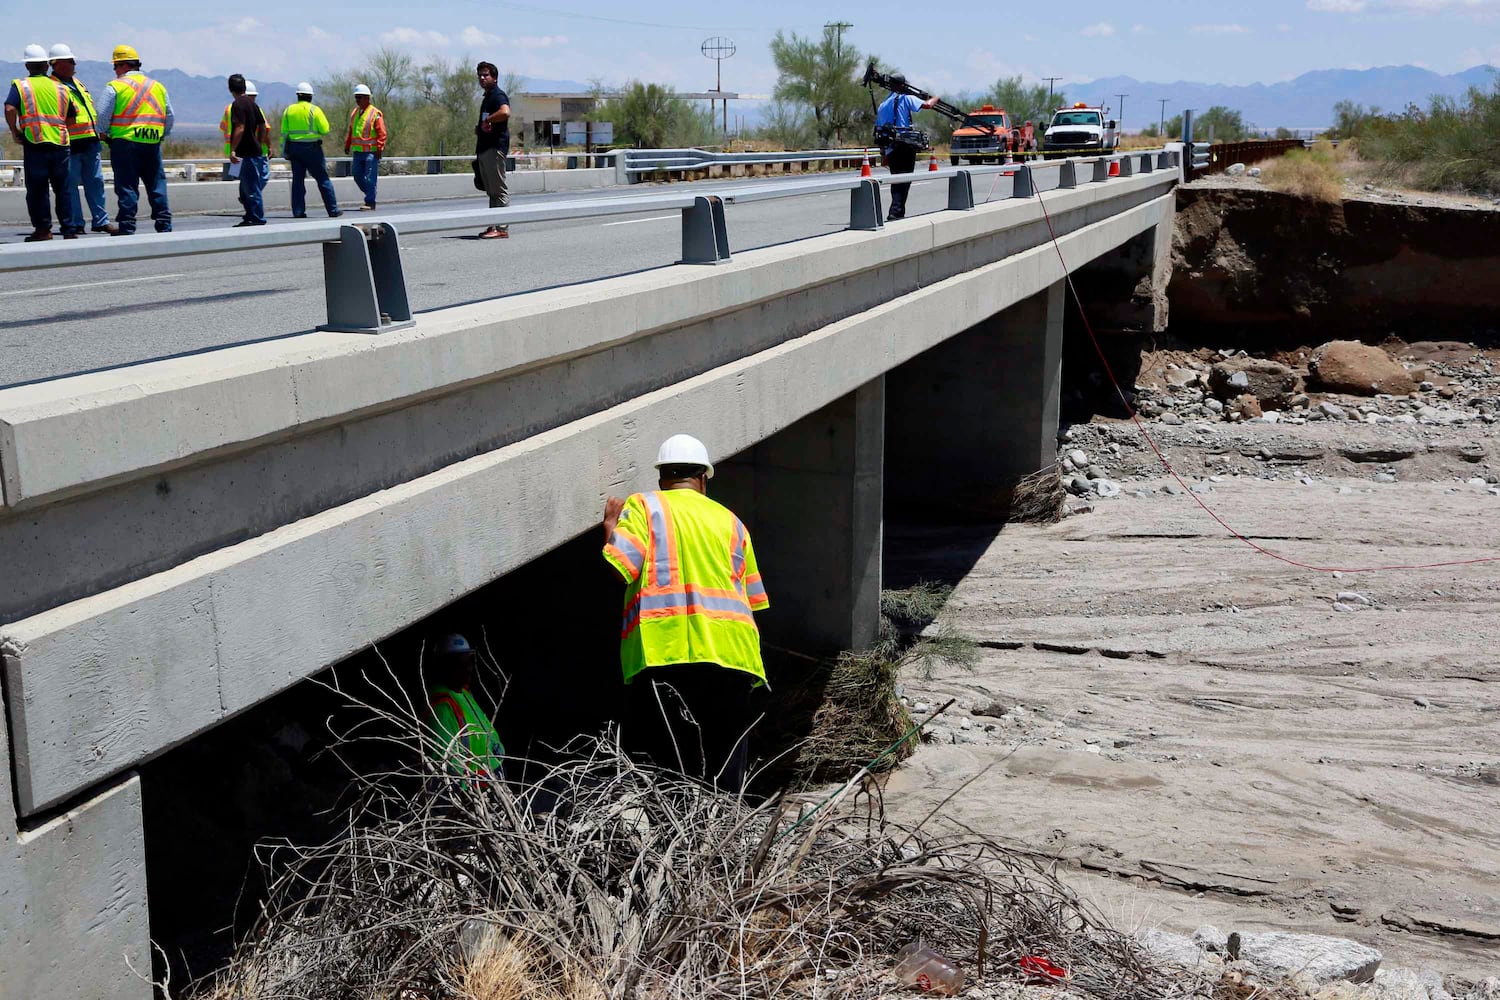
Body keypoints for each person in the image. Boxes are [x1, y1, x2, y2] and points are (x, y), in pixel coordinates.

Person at [601, 433, 771, 790]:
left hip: (666, 656)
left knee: (673, 775)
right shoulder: (733, 523)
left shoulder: (646, 507)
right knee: (725, 778)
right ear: (704, 478)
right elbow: (754, 599)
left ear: (662, 479)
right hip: (734, 661)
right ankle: (726, 843)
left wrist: (611, 531)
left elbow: (622, 566)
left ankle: (679, 844)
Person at [97, 43, 172, 235]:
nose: (115, 71)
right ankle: (164, 224)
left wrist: (103, 133)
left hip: (125, 144)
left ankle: (128, 226)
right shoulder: (158, 86)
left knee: (127, 185)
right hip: (152, 143)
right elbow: (169, 116)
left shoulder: (115, 87)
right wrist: (160, 134)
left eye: (115, 66)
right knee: (156, 184)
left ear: (123, 65)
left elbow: (102, 115)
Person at [5, 44, 77, 242]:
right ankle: (69, 229)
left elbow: (10, 108)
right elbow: (72, 118)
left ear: (28, 66)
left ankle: (44, 230)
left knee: (38, 190)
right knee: (63, 189)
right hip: (61, 145)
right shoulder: (62, 88)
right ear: (47, 66)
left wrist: (15, 131)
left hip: (35, 144)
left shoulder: (21, 86)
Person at [49, 44, 114, 236]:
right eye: (70, 61)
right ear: (57, 64)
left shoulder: (78, 83)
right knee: (70, 185)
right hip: (71, 143)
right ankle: (76, 223)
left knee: (95, 182)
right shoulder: (54, 86)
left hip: (91, 142)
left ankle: (101, 221)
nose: (74, 63)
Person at [425, 633, 505, 780]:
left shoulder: (464, 693)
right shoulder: (442, 709)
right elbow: (449, 772)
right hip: (476, 793)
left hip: (494, 782)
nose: (468, 669)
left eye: (468, 662)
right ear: (443, 666)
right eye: (459, 664)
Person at [874, 74, 938, 222]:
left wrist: (883, 153)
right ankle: (896, 212)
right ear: (902, 86)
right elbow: (927, 105)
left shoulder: (883, 105)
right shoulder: (905, 98)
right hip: (904, 146)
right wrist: (936, 98)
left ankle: (897, 211)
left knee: (897, 179)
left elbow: (879, 128)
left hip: (890, 148)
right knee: (905, 180)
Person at [281, 82, 341, 219]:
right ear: (311, 97)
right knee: (323, 179)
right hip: (312, 149)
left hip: (294, 149)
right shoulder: (315, 110)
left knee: (298, 181)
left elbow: (284, 133)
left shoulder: (288, 110)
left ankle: (298, 211)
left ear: (298, 96)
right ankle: (333, 210)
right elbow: (325, 129)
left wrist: (284, 151)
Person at [474, 61, 511, 239]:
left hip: (494, 148)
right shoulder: (487, 97)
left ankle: (502, 227)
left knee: (499, 190)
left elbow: (505, 112)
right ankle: (493, 225)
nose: (482, 78)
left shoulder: (498, 95)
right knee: (491, 191)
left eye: (486, 75)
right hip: (485, 148)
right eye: (480, 75)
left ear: (494, 78)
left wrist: (488, 121)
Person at [227, 74, 270, 227]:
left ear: (231, 88)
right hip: (254, 151)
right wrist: (259, 142)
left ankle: (257, 217)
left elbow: (239, 127)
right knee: (245, 188)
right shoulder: (253, 104)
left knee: (251, 187)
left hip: (246, 153)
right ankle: (250, 215)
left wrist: (233, 150)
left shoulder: (238, 105)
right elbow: (263, 126)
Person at [344, 84, 385, 211]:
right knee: (357, 176)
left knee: (369, 177)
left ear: (367, 98)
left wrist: (379, 149)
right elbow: (351, 131)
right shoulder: (355, 113)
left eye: (360, 97)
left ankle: (370, 202)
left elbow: (382, 133)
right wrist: (347, 144)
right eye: (356, 98)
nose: (357, 100)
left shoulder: (375, 114)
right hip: (357, 152)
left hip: (370, 153)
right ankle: (370, 192)